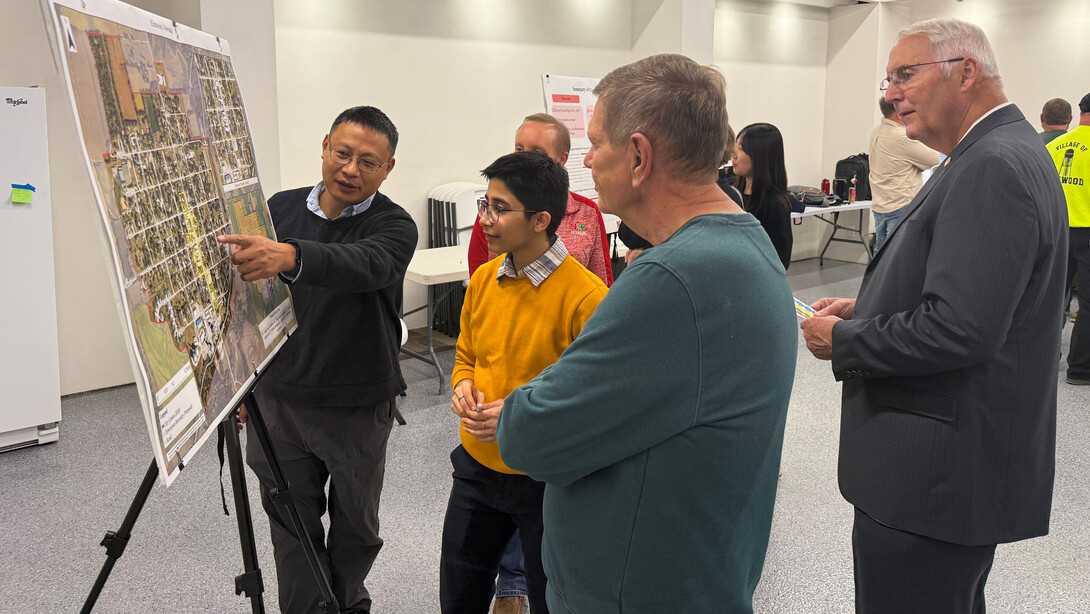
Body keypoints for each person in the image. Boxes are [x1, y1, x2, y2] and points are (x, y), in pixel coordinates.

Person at [495, 54, 797, 613]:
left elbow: (528, 435)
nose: (586, 158)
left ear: (638, 156)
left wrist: (531, 392)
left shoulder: (672, 279)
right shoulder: (744, 241)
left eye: (595, 142)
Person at [800, 19, 1067, 614]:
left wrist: (848, 339)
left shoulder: (993, 164)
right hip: (943, 468)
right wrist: (867, 307)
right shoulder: (989, 152)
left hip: (933, 477)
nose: (891, 91)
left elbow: (960, 328)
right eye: (888, 77)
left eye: (906, 74)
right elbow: (971, 293)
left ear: (965, 71)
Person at [218, 106, 417, 614]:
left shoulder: (394, 225)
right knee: (291, 527)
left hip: (356, 404)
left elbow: (367, 264)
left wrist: (293, 256)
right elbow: (251, 304)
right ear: (325, 145)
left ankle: (347, 604)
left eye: (368, 162)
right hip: (279, 401)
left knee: (356, 528)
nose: (351, 170)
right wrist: (243, 382)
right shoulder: (279, 208)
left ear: (389, 168)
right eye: (343, 154)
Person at [441, 151, 608, 614]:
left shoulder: (587, 299)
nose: (485, 221)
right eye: (485, 204)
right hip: (476, 466)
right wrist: (462, 385)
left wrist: (518, 419)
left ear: (540, 220)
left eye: (498, 209)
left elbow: (591, 402)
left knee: (548, 595)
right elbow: (468, 354)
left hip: (544, 479)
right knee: (459, 589)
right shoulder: (483, 280)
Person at [468, 113, 612, 287]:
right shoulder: (493, 212)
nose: (524, 159)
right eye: (519, 150)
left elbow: (602, 283)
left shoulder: (586, 212)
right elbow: (479, 285)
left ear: (562, 159)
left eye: (538, 153)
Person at [1048, 92, 1090, 384]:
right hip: (1087, 233)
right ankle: (1079, 370)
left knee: (1049, 300)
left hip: (1058, 230)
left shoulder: (1056, 144)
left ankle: (1043, 363)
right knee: (1087, 304)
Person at [867, 96, 941, 251]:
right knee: (897, 255)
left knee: (881, 256)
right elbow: (934, 158)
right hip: (900, 205)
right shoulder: (901, 136)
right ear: (899, 114)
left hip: (881, 205)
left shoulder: (878, 131)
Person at [731, 122, 795, 269]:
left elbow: (780, 259)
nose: (733, 155)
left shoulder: (774, 204)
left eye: (741, 149)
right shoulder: (733, 192)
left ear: (760, 155)